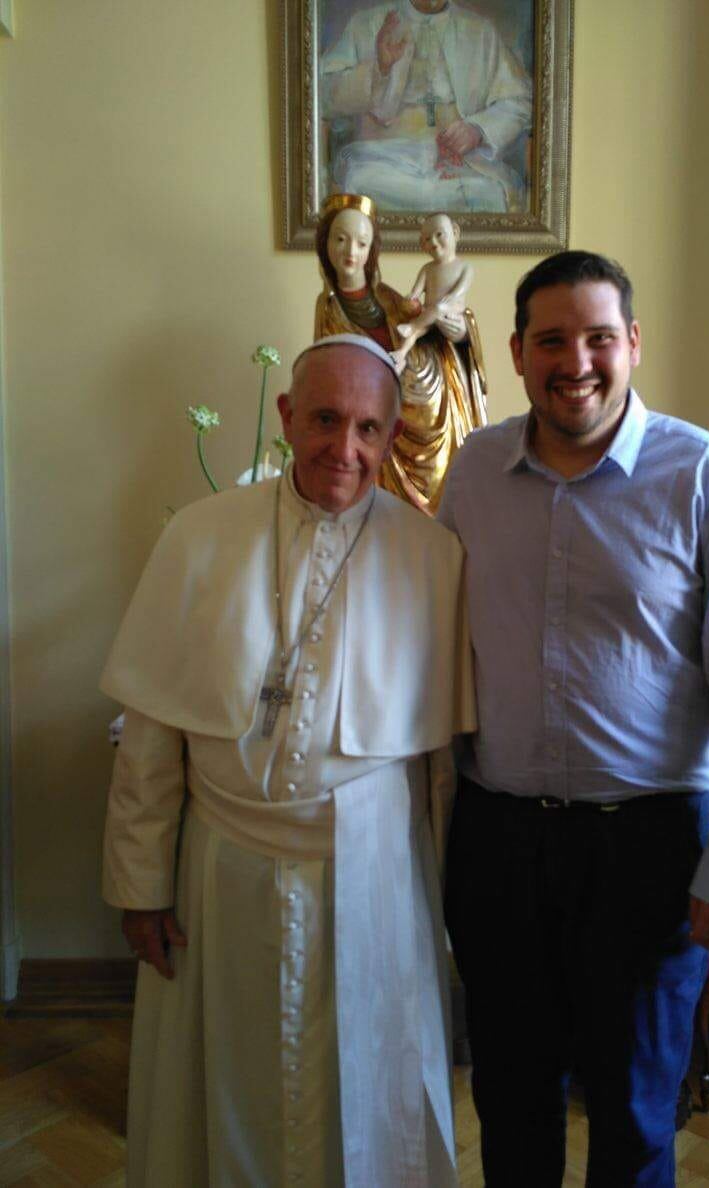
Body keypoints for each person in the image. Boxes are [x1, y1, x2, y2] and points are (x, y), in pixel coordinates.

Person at [438, 251, 709, 1186]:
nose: (577, 361)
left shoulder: (699, 472)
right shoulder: (473, 470)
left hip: (648, 850)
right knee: (511, 1107)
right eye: (551, 340)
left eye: (599, 337)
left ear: (633, 344)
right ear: (516, 353)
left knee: (635, 1116)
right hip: (498, 842)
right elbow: (425, 643)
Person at [101, 334, 474, 1187]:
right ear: (285, 417)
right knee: (224, 1090)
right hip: (220, 871)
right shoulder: (200, 537)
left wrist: (449, 908)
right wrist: (139, 886)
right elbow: (152, 735)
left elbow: (442, 770)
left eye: (370, 430)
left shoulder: (431, 556)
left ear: (391, 437)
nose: (345, 449)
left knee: (372, 1094)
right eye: (326, 420)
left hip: (375, 876)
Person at [315, 191, 487, 515]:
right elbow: (322, 376)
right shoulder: (327, 309)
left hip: (435, 411)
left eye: (362, 243)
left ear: (371, 249)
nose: (351, 251)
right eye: (340, 239)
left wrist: (460, 332)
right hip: (375, 424)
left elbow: (433, 327)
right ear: (325, 244)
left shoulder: (390, 298)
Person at [320, 0, 532, 212]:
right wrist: (379, 68)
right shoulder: (366, 24)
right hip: (381, 160)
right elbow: (323, 97)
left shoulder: (481, 32)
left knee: (488, 195)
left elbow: (520, 101)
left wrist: (478, 129)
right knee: (362, 187)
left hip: (463, 165)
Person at [392, 213, 473, 367]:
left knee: (433, 312)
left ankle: (413, 326)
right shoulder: (427, 269)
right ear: (422, 245)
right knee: (415, 331)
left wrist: (453, 296)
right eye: (428, 239)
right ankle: (400, 354)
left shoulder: (464, 266)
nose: (434, 242)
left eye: (439, 234)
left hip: (450, 313)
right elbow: (417, 290)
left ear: (455, 232)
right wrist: (411, 298)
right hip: (428, 314)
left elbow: (462, 288)